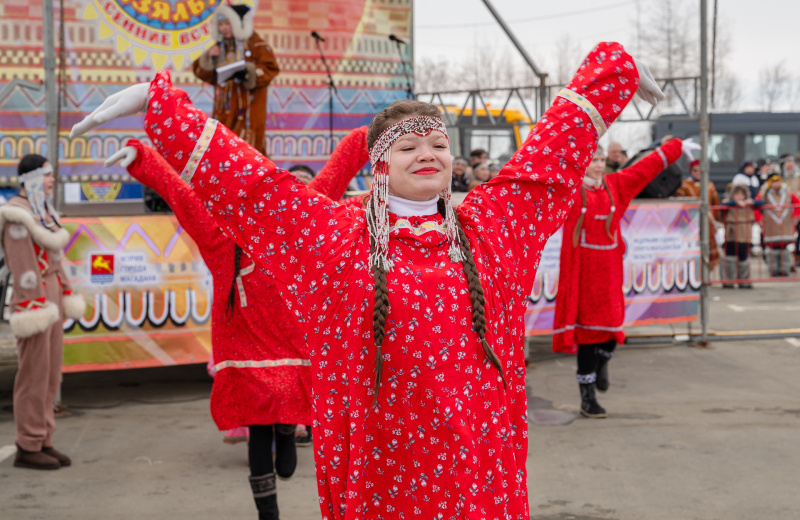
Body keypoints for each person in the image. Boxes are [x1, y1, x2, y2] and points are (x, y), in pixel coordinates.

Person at [71, 41, 665, 519]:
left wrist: (611, 76)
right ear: (379, 162)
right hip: (380, 485)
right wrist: (159, 106)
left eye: (438, 144)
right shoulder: (335, 236)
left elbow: (546, 159)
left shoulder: (490, 227)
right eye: (409, 146)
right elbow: (253, 187)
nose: (428, 154)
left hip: (479, 486)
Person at [103, 126, 368, 519]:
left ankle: (286, 428)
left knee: (284, 435)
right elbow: (180, 194)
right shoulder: (219, 238)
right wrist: (142, 158)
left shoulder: (292, 219)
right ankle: (268, 513)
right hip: (243, 347)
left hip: (290, 344)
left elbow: (337, 170)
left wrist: (378, 131)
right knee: (257, 431)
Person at [552, 136, 685, 418]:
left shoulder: (615, 186)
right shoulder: (570, 192)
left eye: (601, 160)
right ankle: (587, 399)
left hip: (610, 272)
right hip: (583, 274)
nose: (598, 166)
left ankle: (603, 363)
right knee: (587, 336)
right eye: (593, 161)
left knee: (612, 331)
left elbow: (645, 169)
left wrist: (672, 148)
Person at [0, 155, 85, 470]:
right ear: (32, 178)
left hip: (51, 297)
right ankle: (27, 443)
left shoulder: (43, 211)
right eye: (48, 175)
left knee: (50, 375)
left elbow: (55, 261)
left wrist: (64, 292)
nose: (52, 180)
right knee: (33, 374)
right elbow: (23, 269)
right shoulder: (17, 216)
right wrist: (36, 305)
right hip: (34, 300)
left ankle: (44, 438)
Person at [192, 2, 280, 155]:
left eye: (227, 23)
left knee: (249, 153)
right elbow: (202, 73)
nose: (223, 28)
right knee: (223, 151)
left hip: (249, 110)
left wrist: (248, 72)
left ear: (237, 24)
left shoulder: (255, 43)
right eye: (220, 24)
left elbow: (271, 68)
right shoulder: (220, 46)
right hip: (225, 110)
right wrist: (210, 58)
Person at [675, 158, 722, 270]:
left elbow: (716, 203)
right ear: (691, 171)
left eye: (700, 170)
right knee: (693, 247)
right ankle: (694, 273)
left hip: (707, 221)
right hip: (691, 223)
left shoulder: (709, 184)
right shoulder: (685, 185)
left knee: (708, 247)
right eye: (695, 170)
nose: (697, 173)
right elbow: (678, 201)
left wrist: (716, 219)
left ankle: (706, 274)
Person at [755, 174, 800, 277]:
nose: (776, 184)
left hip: (785, 224)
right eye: (774, 182)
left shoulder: (788, 193)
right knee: (772, 249)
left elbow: (797, 204)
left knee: (784, 249)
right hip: (771, 225)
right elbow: (756, 205)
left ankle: (786, 269)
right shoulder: (764, 194)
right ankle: (773, 269)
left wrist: (796, 215)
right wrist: (759, 218)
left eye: (778, 181)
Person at [720, 185, 764, 289]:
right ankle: (728, 281)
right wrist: (735, 203)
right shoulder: (728, 202)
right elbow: (722, 205)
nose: (739, 197)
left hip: (744, 234)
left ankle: (744, 281)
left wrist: (751, 202)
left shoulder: (749, 204)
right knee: (729, 256)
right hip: (731, 233)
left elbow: (762, 203)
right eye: (737, 194)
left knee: (743, 257)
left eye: (742, 194)